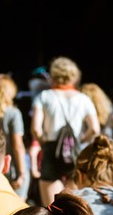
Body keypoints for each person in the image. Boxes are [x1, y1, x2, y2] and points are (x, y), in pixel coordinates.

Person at [31, 56, 99, 205]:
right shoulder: (83, 99)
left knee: (51, 208)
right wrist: (80, 140)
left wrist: (44, 143)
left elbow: (36, 128)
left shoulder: (44, 97)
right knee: (74, 206)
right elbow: (94, 128)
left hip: (51, 149)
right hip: (74, 150)